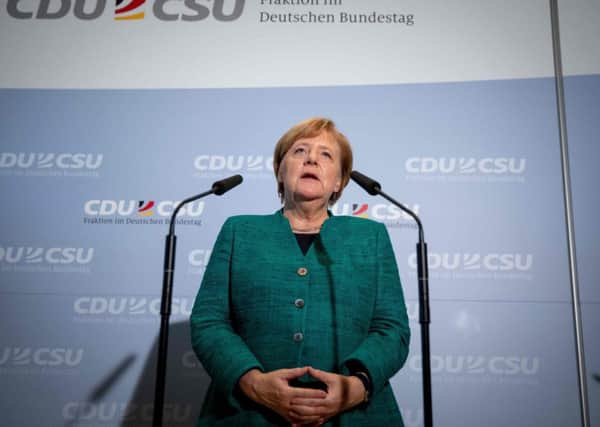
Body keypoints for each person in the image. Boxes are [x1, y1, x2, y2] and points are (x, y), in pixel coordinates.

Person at [190, 117, 410, 426]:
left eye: (326, 155)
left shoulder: (369, 237)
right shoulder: (240, 231)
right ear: (280, 172)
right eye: (299, 151)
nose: (311, 159)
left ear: (339, 182)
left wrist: (356, 387)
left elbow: (392, 329)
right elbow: (209, 322)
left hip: (354, 417)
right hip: (249, 414)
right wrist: (253, 384)